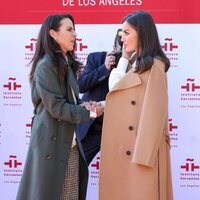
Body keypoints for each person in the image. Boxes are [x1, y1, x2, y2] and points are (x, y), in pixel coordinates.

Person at [16, 14, 103, 200]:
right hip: (52, 144)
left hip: (68, 143)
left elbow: (70, 102)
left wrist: (84, 105)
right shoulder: (46, 65)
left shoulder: (66, 64)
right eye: (69, 29)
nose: (75, 34)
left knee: (69, 195)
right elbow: (57, 108)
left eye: (74, 29)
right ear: (53, 34)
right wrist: (92, 112)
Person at [99, 10, 173, 200]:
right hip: (127, 147)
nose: (122, 38)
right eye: (121, 33)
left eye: (127, 32)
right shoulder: (137, 63)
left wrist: (144, 155)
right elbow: (117, 92)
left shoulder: (155, 65)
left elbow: (154, 113)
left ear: (143, 33)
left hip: (140, 152)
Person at [76, 29, 123, 165]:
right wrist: (104, 67)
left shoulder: (136, 65)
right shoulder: (96, 58)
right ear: (114, 47)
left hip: (119, 129)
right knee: (77, 166)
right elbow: (82, 86)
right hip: (92, 126)